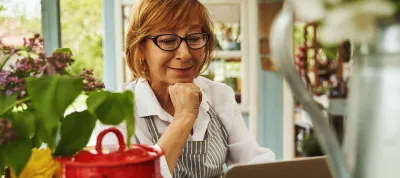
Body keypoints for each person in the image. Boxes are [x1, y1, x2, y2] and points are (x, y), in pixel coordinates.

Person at [95, 0, 275, 177]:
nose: (185, 53)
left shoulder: (220, 95)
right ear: (141, 47)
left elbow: (255, 163)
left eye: (195, 38)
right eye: (167, 41)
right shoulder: (114, 111)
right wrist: (183, 118)